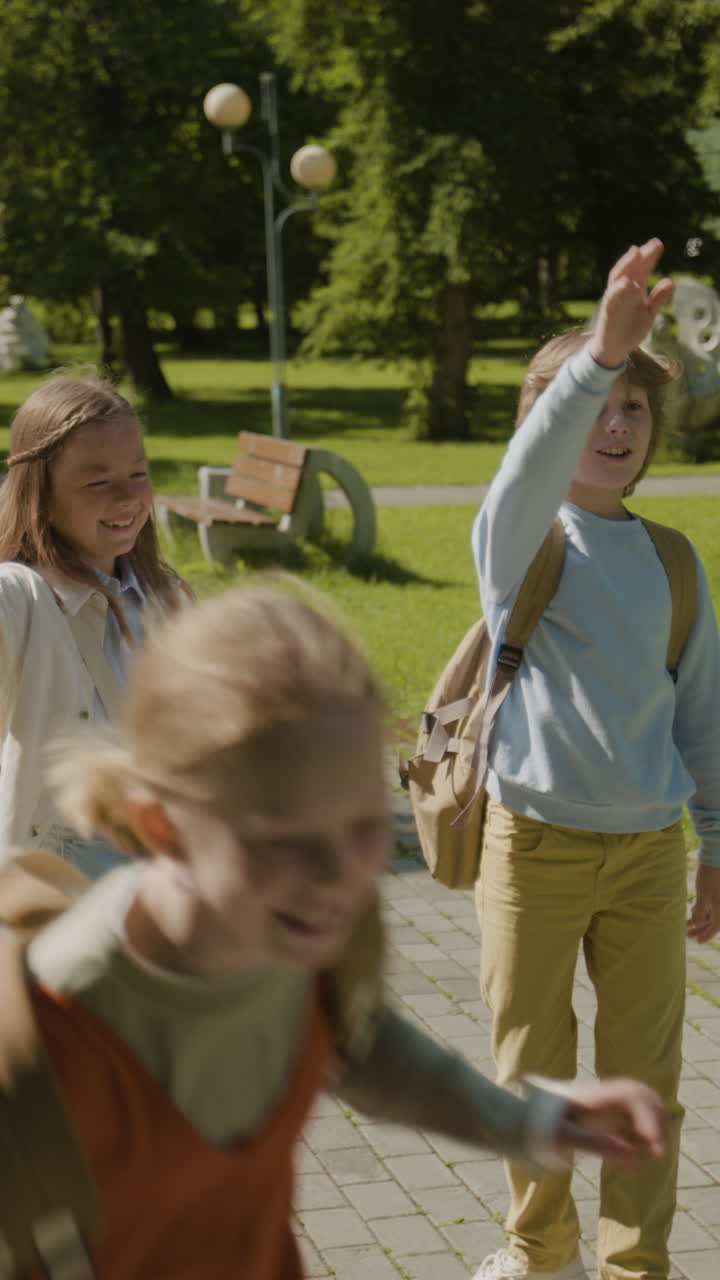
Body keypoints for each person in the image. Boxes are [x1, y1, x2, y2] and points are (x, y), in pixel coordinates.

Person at [10, 585, 668, 1279]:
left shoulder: (299, 936)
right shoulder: (52, 1039)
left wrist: (526, 1121)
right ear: (161, 827)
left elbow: (351, 1039)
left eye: (363, 827)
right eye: (283, 840)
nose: (334, 876)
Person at [471, 238, 720, 1280]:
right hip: (530, 843)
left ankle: (634, 1263)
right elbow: (524, 476)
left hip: (650, 854)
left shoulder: (672, 557)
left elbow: (699, 715)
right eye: (595, 407)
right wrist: (598, 355)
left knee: (642, 1075)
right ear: (549, 419)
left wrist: (717, 845)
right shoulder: (525, 538)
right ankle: (540, 1254)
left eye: (634, 409)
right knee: (533, 1065)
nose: (615, 424)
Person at [0, 374, 189, 878]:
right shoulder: (20, 596)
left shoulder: (167, 597)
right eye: (98, 482)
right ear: (39, 490)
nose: (126, 497)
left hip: (159, 875)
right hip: (58, 888)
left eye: (139, 474)